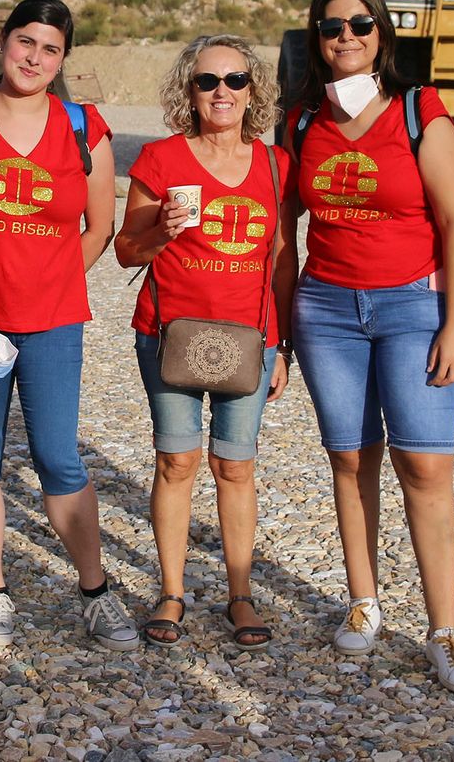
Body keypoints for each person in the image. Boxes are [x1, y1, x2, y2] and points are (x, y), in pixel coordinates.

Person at [282, 0, 454, 693]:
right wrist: (277, 334)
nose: (346, 38)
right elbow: (283, 233)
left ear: (382, 34)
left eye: (360, 25)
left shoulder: (420, 112)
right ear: (318, 39)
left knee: (425, 466)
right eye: (332, 27)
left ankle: (446, 629)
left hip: (409, 307)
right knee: (350, 457)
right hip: (327, 311)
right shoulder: (304, 121)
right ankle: (363, 602)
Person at [0, 0, 138, 652]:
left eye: (50, 48)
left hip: (54, 321)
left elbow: (101, 227)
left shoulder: (85, 125)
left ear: (63, 59)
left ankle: (95, 589)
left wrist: (52, 279)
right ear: (4, 42)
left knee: (58, 455)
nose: (34, 57)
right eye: (25, 41)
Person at [113, 34, 292, 651]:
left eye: (235, 81)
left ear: (254, 90)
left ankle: (239, 594)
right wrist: (160, 230)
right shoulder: (161, 160)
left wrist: (283, 346)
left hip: (249, 337)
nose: (222, 92)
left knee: (235, 466)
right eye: (208, 81)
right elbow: (124, 252)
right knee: (177, 461)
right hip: (170, 333)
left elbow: (279, 260)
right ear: (188, 90)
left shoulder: (275, 164)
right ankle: (171, 591)